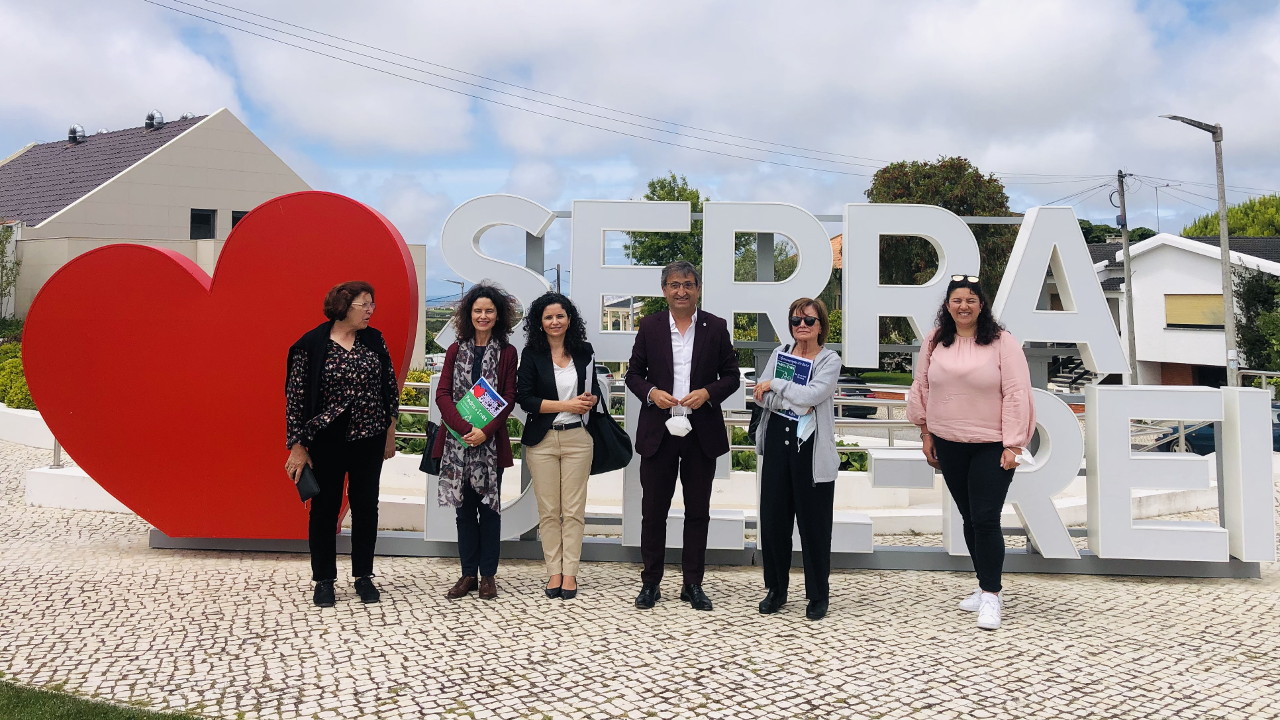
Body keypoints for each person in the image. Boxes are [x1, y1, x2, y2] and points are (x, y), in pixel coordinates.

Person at [907, 274, 1035, 631]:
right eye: (957, 300)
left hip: (991, 444)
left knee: (985, 518)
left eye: (971, 300)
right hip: (948, 441)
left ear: (982, 305)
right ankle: (983, 584)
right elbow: (923, 385)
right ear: (947, 305)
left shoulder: (1001, 342)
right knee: (968, 516)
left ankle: (992, 596)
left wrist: (1014, 443)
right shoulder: (934, 341)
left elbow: (1016, 391)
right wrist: (925, 430)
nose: (963, 306)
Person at [625, 261, 740, 611]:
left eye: (688, 284)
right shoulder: (650, 325)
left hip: (699, 431)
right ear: (664, 290)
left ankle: (693, 583)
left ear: (698, 288)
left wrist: (707, 392)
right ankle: (651, 583)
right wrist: (651, 392)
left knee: (698, 512)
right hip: (659, 431)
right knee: (653, 511)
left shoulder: (716, 327)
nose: (681, 291)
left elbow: (732, 375)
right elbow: (633, 374)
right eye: (674, 285)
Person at [285, 281, 398, 608]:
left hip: (369, 438)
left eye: (371, 304)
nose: (370, 310)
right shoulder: (311, 345)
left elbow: (389, 389)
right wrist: (297, 445)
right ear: (343, 307)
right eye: (365, 304)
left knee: (366, 507)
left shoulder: (374, 340)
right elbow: (294, 400)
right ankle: (323, 579)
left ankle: (364, 576)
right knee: (324, 510)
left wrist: (389, 434)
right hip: (327, 440)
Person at [751, 298, 841, 621]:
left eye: (809, 321)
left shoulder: (830, 360)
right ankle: (776, 589)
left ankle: (818, 594)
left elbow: (809, 398)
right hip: (778, 441)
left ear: (821, 326)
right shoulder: (780, 354)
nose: (802, 326)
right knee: (774, 521)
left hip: (811, 448)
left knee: (814, 526)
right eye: (795, 321)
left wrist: (776, 384)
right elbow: (759, 396)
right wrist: (783, 395)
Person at [430, 282, 519, 601]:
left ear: (498, 316)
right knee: (464, 512)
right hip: (457, 443)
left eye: (489, 311)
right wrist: (464, 427)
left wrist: (485, 431)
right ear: (469, 314)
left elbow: (508, 398)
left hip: (491, 445)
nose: (483, 315)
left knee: (490, 510)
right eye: (478, 310)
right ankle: (468, 574)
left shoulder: (508, 353)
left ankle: (488, 576)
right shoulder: (455, 349)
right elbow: (442, 394)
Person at [516, 292, 603, 601]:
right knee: (549, 510)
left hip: (579, 438)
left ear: (569, 319)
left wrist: (591, 399)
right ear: (539, 322)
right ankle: (554, 570)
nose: (555, 322)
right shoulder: (531, 354)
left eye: (560, 316)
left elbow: (594, 390)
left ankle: (571, 574)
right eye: (548, 317)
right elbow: (524, 398)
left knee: (574, 510)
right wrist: (566, 404)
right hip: (542, 440)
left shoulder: (584, 351)